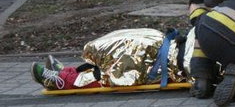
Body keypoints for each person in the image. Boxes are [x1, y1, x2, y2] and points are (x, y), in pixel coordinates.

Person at [30, 29, 194, 90]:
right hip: (172, 46)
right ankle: (69, 71)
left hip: (174, 62)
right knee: (126, 42)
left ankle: (62, 80)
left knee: (120, 71)